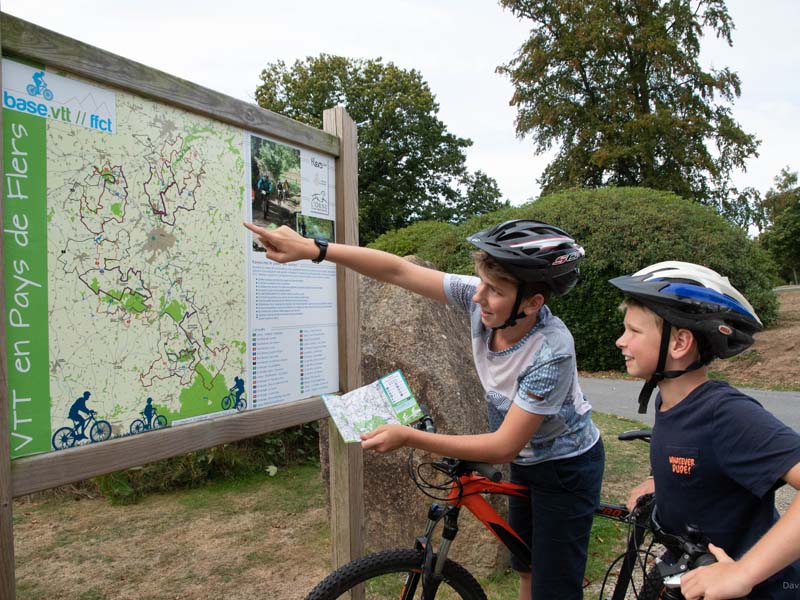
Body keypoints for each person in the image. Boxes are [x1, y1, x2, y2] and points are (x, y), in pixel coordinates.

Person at [244, 219, 604, 600]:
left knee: (555, 589)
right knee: (527, 568)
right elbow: (398, 270)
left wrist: (409, 436)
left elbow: (503, 447)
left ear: (533, 303)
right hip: (526, 463)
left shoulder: (552, 351)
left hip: (565, 469)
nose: (479, 296)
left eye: (494, 290)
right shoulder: (481, 301)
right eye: (481, 281)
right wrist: (315, 249)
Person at [612, 261, 800, 600]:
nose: (620, 341)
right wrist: (661, 482)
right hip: (690, 571)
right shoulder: (670, 401)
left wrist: (744, 572)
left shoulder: (725, 414)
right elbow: (694, 453)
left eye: (633, 331)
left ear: (679, 343)